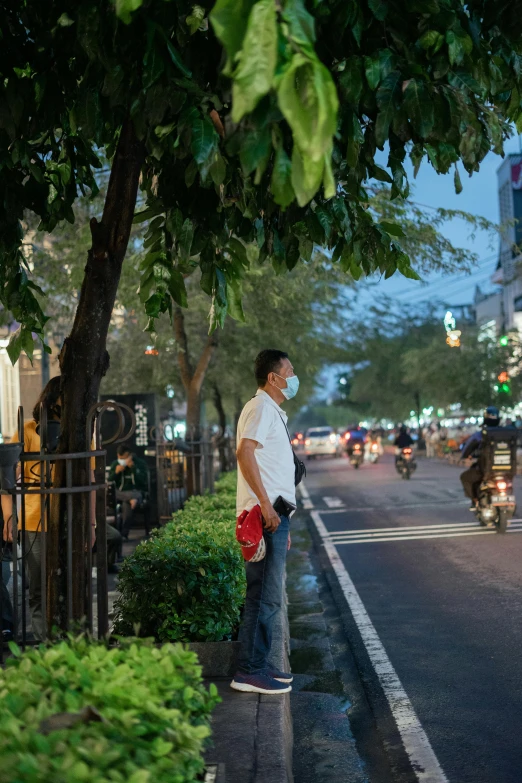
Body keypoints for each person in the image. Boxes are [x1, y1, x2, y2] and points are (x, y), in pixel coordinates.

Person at [0, 377, 96, 641]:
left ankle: (72, 640)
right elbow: (6, 478)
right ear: (53, 399)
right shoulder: (28, 429)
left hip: (71, 519)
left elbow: (89, 482)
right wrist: (9, 516)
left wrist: (91, 524)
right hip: (33, 520)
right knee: (39, 588)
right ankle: (47, 644)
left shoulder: (79, 434)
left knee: (72, 583)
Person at [231, 349, 297, 696]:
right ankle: (250, 671)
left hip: (275, 513)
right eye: (289, 370)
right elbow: (245, 453)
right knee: (264, 597)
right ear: (274, 377)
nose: (293, 376)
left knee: (268, 595)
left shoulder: (270, 410)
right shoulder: (260, 408)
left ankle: (259, 662)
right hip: (266, 513)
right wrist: (266, 507)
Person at [460, 406, 501, 509]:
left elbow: (467, 448)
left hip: (486, 471)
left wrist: (465, 456)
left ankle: (475, 500)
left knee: (465, 477)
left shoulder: (480, 435)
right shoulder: (507, 433)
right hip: (506, 471)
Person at [108, 445, 149, 540]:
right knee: (127, 497)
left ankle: (123, 534)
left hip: (135, 492)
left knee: (127, 505)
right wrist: (116, 472)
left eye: (124, 458)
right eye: (120, 458)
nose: (122, 460)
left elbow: (143, 482)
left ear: (130, 455)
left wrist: (133, 469)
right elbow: (110, 481)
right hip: (120, 493)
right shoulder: (115, 464)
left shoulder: (139, 463)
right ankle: (132, 498)